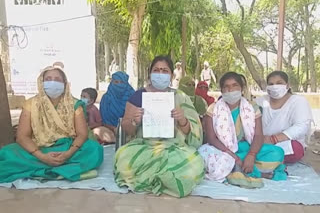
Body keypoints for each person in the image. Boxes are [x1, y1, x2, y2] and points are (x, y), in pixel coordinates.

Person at [114, 55, 204, 197]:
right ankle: (165, 177)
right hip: (144, 146)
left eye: (165, 71)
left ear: (171, 75)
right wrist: (135, 121)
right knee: (123, 159)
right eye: (156, 70)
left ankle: (153, 176)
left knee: (195, 163)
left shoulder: (180, 96)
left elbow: (194, 134)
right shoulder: (139, 96)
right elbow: (127, 128)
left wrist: (183, 120)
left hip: (174, 147)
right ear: (150, 73)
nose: (160, 74)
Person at [0, 64, 103, 183]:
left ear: (64, 83)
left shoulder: (75, 104)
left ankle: (44, 168)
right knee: (6, 153)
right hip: (38, 148)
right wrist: (42, 157)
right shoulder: (30, 104)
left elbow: (82, 134)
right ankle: (60, 169)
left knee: (95, 149)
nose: (53, 83)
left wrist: (67, 154)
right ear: (41, 82)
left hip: (67, 148)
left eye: (57, 79)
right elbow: (22, 136)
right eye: (48, 79)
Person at [198, 72, 287, 188]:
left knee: (277, 153)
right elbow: (211, 138)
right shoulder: (213, 108)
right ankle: (254, 172)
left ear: (241, 88)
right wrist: (233, 157)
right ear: (221, 90)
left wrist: (251, 155)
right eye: (226, 86)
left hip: (245, 148)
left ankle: (237, 170)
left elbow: (258, 136)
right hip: (222, 150)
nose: (230, 89)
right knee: (205, 154)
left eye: (234, 85)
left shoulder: (251, 107)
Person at [255, 71, 313, 164]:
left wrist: (274, 139)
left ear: (287, 85)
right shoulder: (260, 101)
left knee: (296, 149)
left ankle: (257, 156)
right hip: (260, 143)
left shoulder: (298, 101)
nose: (275, 86)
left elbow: (301, 127)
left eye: (279, 83)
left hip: (284, 144)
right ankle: (261, 157)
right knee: (243, 145)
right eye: (271, 84)